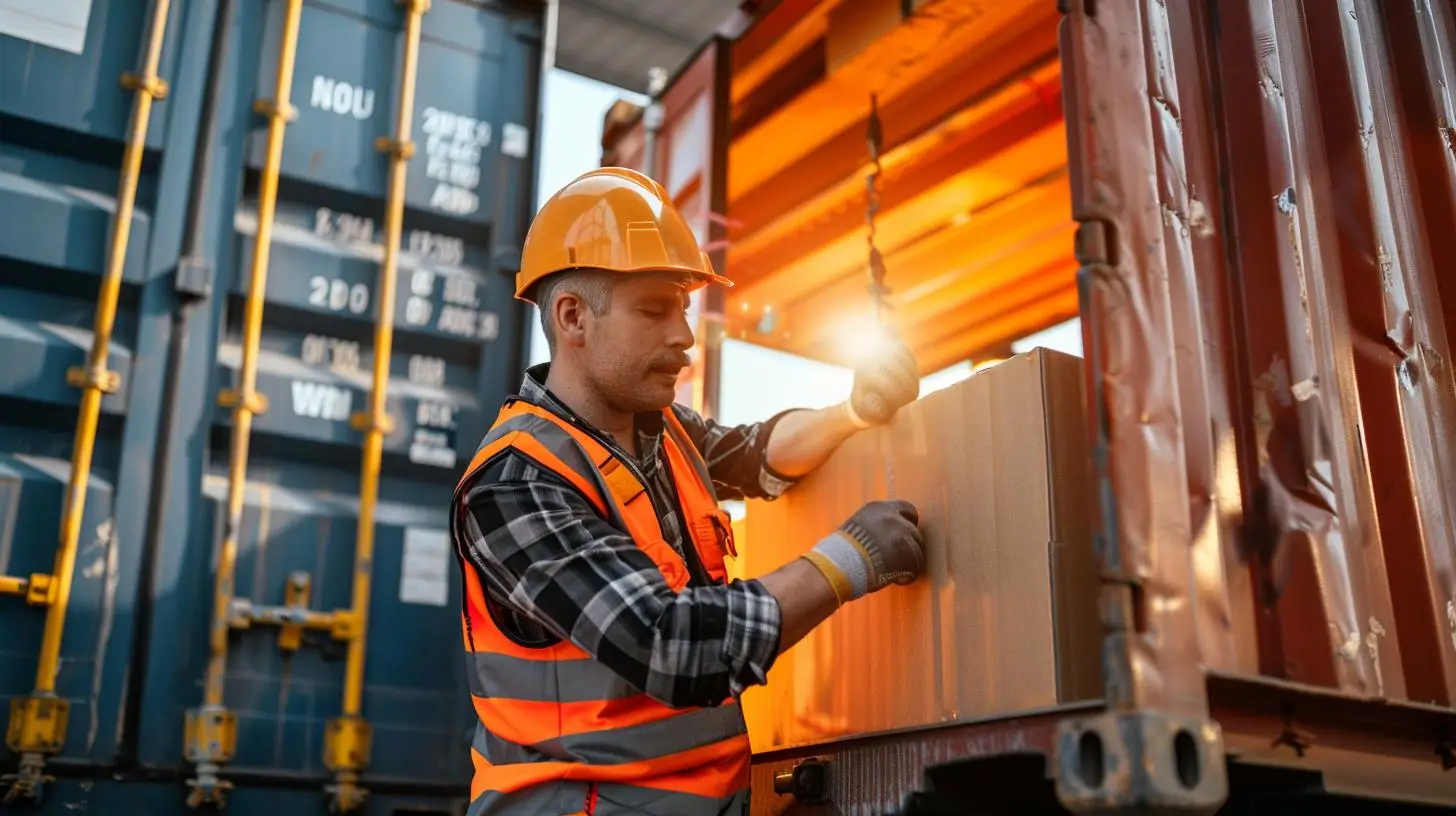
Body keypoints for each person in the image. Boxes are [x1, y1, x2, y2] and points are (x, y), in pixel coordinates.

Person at [448, 167, 926, 815]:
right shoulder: (517, 481)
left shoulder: (660, 430)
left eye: (684, 309)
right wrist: (852, 560)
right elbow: (674, 646)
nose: (684, 338)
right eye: (655, 309)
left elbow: (756, 455)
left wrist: (852, 412)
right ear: (572, 318)